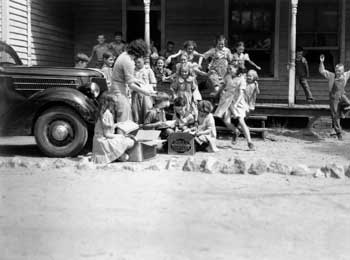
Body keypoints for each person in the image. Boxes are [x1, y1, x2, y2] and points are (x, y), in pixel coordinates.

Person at [110, 39, 157, 123]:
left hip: (117, 88)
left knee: (126, 117)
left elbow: (124, 76)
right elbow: (131, 84)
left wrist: (137, 80)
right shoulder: (128, 61)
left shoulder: (124, 55)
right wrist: (146, 92)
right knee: (123, 120)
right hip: (119, 91)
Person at [214, 64, 255, 151]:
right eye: (228, 69)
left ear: (237, 70)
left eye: (231, 69)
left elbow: (241, 93)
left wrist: (236, 104)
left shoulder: (241, 79)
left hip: (237, 101)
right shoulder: (228, 76)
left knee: (241, 121)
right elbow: (223, 86)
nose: (229, 70)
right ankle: (236, 131)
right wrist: (217, 94)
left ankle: (249, 142)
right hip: (227, 100)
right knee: (226, 121)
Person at [92, 93, 135, 164]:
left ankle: (118, 156)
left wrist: (117, 124)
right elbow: (107, 134)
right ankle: (118, 156)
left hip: (98, 141)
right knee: (130, 142)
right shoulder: (107, 114)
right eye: (114, 103)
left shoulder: (102, 113)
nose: (116, 104)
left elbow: (105, 128)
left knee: (125, 143)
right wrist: (121, 136)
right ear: (109, 103)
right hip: (103, 141)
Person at [319, 54, 350, 140]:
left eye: (339, 71)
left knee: (348, 104)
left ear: (343, 71)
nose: (337, 72)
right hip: (333, 98)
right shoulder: (331, 76)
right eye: (336, 70)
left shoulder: (345, 75)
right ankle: (338, 133)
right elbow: (322, 71)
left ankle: (343, 112)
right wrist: (321, 62)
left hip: (342, 96)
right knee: (336, 116)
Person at [132, 57, 157, 124]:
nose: (137, 64)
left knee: (147, 111)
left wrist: (149, 87)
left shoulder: (148, 70)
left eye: (139, 62)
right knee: (136, 113)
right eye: (135, 62)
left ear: (143, 61)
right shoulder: (132, 70)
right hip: (135, 95)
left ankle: (147, 126)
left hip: (146, 95)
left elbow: (153, 83)